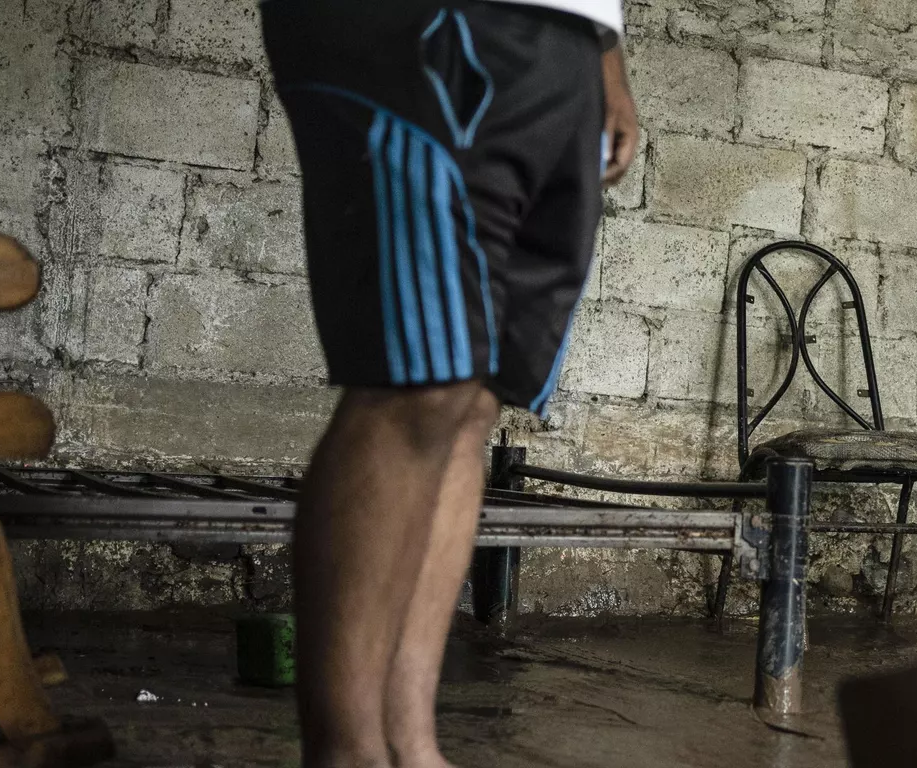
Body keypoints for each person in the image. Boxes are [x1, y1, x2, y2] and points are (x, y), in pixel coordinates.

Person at [260, 0, 637, 765]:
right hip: (418, 23)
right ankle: (348, 753)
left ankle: (413, 743)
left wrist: (605, 54)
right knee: (419, 385)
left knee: (473, 401)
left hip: (561, 38)